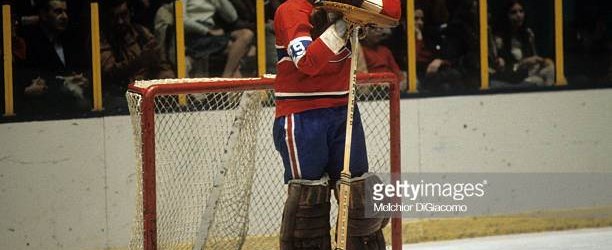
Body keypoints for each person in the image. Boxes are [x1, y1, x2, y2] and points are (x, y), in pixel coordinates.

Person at [272, 0, 398, 249]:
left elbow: (393, 11)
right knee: (308, 208)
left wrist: (357, 4)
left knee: (359, 196)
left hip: (344, 108)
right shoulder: (291, 9)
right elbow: (308, 62)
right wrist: (344, 24)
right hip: (302, 115)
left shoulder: (343, 5)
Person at [16, 0, 91, 115]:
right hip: (45, 111)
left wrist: (84, 79)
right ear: (43, 15)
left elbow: (83, 69)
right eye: (58, 12)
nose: (64, 16)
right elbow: (33, 79)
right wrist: (64, 83)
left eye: (65, 12)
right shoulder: (31, 44)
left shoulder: (71, 41)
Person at [99, 0, 175, 110]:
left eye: (123, 15)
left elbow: (162, 64)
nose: (120, 21)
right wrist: (140, 61)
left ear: (130, 13)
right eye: (114, 17)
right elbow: (109, 72)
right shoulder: (102, 39)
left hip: (147, 91)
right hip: (120, 93)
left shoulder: (142, 33)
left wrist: (166, 83)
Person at [491, 0, 555, 87]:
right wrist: (523, 63)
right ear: (506, 16)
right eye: (513, 12)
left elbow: (534, 58)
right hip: (511, 79)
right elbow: (502, 68)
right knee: (538, 81)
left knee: (549, 68)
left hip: (528, 73)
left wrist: (543, 61)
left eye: (521, 11)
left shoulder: (528, 34)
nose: (519, 15)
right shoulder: (499, 39)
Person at [183, 0, 254, 77]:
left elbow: (232, 18)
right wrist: (207, 31)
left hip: (211, 31)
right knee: (234, 48)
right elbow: (182, 20)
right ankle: (228, 77)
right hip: (194, 33)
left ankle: (226, 76)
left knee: (246, 34)